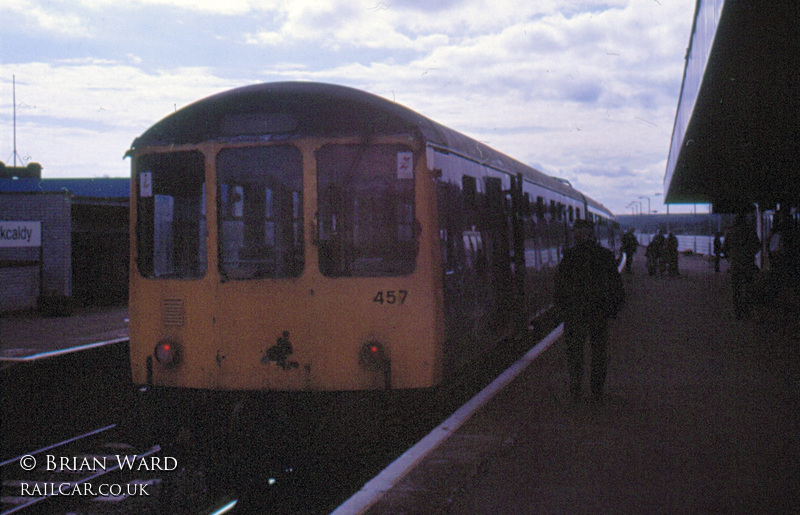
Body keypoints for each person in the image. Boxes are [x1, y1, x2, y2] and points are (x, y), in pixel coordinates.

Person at [554, 219, 625, 404]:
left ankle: (576, 387)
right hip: (598, 313)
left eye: (577, 231)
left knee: (575, 352)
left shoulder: (569, 257)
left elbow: (559, 286)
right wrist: (612, 309)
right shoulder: (605, 255)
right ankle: (596, 389)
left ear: (582, 233)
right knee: (599, 352)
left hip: (575, 313)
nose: (575, 234)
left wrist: (562, 309)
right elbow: (616, 286)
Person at [722, 212, 761, 319]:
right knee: (748, 288)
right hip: (748, 264)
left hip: (735, 264)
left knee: (736, 289)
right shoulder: (750, 231)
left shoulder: (730, 232)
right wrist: (750, 255)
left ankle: (737, 312)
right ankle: (747, 311)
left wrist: (730, 258)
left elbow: (724, 249)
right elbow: (758, 246)